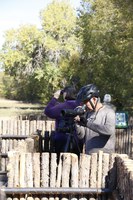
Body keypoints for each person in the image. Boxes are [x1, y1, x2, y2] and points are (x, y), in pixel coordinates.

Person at [75, 84, 116, 155]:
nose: (84, 105)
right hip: (89, 157)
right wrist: (77, 124)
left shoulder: (109, 112)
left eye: (85, 102)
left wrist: (87, 123)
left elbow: (109, 130)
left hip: (105, 158)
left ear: (94, 99)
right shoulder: (88, 114)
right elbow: (81, 136)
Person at [44, 86, 82, 155]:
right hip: (77, 138)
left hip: (61, 138)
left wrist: (55, 98)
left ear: (65, 94)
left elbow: (47, 111)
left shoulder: (61, 106)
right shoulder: (80, 105)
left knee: (60, 161)